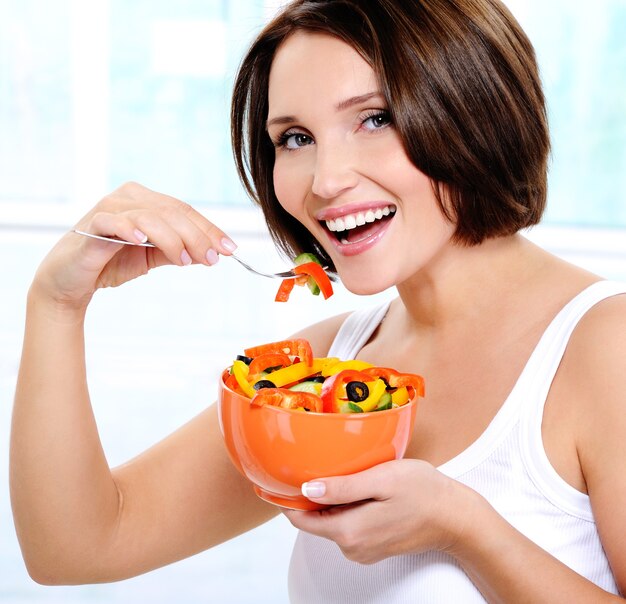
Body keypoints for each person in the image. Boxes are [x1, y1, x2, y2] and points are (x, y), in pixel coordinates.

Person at [10, 0, 626, 601]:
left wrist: (468, 531)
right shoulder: (323, 372)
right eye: (295, 137)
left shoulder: (606, 346)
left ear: (479, 111)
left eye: (375, 118)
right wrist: (56, 304)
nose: (325, 181)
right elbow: (80, 546)